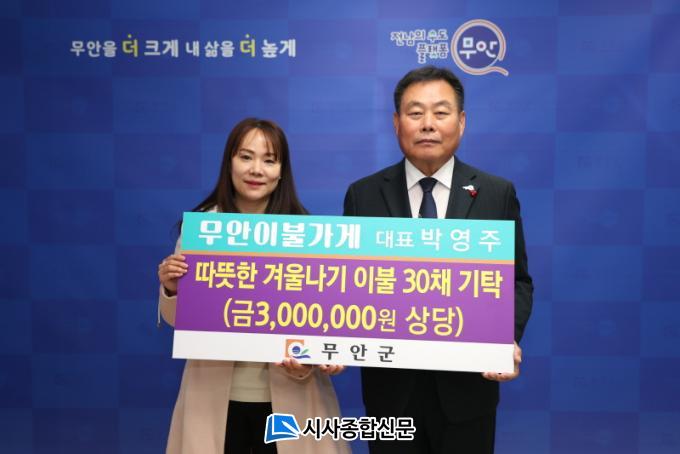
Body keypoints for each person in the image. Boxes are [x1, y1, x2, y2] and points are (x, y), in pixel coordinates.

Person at [343, 66, 533, 453]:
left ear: (461, 122)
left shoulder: (496, 193)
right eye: (415, 113)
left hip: (469, 390)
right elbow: (347, 283)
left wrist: (505, 336)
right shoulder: (363, 195)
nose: (427, 124)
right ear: (396, 123)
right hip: (390, 395)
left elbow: (517, 281)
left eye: (441, 112)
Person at [157, 118, 351, 454]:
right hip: (213, 396)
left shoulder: (307, 235)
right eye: (246, 157)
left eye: (269, 160)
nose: (256, 169)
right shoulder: (204, 230)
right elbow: (179, 322)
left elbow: (324, 322)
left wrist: (324, 353)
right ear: (229, 162)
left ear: (282, 171)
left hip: (292, 396)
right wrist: (172, 289)